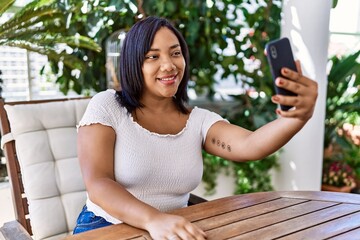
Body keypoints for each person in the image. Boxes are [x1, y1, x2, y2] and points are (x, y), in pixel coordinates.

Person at [73, 16, 318, 240]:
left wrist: (297, 118)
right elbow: (98, 183)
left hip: (173, 229)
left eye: (175, 53)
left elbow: (250, 145)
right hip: (106, 226)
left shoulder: (197, 120)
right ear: (133, 63)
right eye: (153, 56)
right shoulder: (107, 106)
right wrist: (154, 220)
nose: (169, 65)